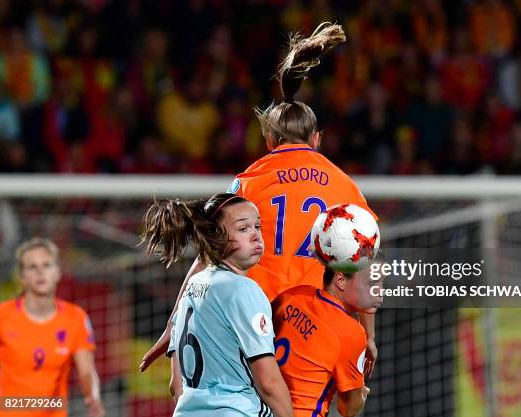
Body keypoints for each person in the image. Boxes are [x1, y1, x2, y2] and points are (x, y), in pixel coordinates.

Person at [140, 22, 379, 378]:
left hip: (254, 323)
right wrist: (367, 334)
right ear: (317, 139)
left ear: (269, 140)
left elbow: (208, 258)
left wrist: (172, 326)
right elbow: (363, 262)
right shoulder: (346, 188)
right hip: (316, 328)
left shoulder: (248, 181)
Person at [141, 193, 294, 417]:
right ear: (216, 237)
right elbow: (268, 382)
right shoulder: (243, 290)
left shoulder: (193, 286)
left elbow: (176, 385)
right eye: (243, 229)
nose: (256, 236)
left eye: (257, 226)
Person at [0, 238, 104, 417]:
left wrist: (92, 396)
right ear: (21, 276)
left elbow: (87, 370)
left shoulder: (75, 317)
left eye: (46, 265)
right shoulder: (2, 315)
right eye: (32, 267)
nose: (40, 272)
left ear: (57, 272)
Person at [272, 264, 384, 417]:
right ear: (340, 280)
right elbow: (348, 409)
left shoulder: (293, 295)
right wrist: (361, 396)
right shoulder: (351, 332)